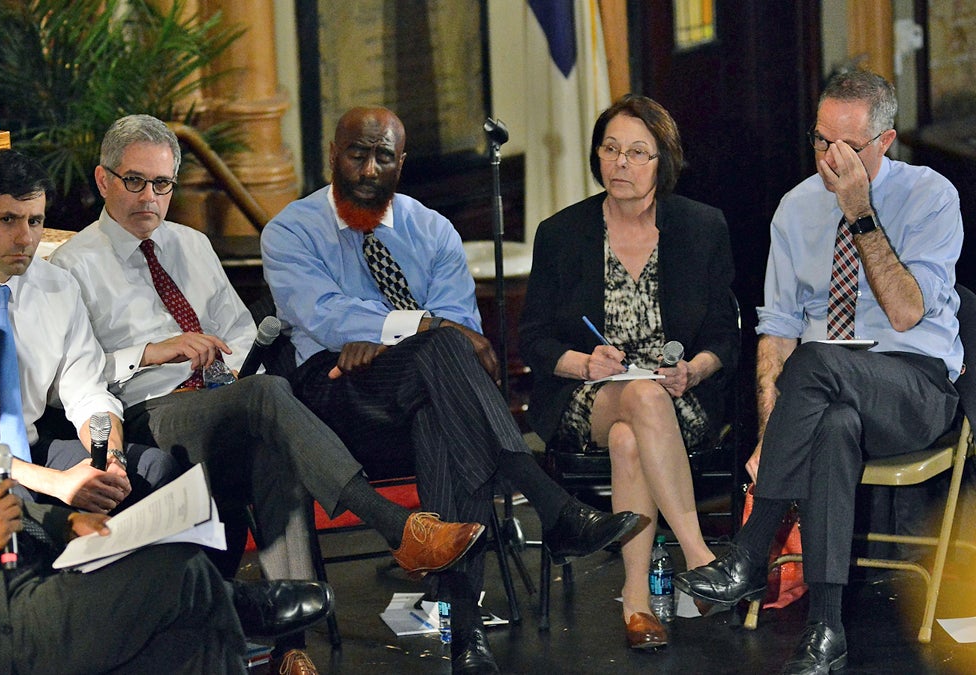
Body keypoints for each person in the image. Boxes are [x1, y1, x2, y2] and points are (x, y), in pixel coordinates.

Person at [49, 114, 485, 674]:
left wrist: (223, 364)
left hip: (220, 398)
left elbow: (239, 331)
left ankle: (291, 650)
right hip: (148, 410)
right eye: (135, 181)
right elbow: (73, 378)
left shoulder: (192, 245)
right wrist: (151, 352)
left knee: (270, 435)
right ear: (103, 180)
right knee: (269, 396)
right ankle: (397, 527)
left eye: (162, 185)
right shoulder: (72, 265)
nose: (150, 198)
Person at [261, 105, 641, 674]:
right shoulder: (290, 229)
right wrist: (420, 326)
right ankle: (548, 502)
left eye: (382, 156)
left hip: (420, 395)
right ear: (332, 156)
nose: (368, 168)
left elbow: (461, 334)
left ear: (401, 162)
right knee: (438, 353)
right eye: (356, 153)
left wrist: (401, 337)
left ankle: (466, 638)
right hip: (335, 402)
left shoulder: (432, 231)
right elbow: (324, 315)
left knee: (441, 406)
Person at [0, 270, 334, 673]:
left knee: (184, 604)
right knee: (181, 580)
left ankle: (233, 611)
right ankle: (242, 609)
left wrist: (61, 524)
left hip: (20, 584)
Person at [675, 69, 962, 675]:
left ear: (884, 142)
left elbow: (908, 312)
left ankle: (751, 552)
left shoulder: (932, 196)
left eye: (848, 147)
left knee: (816, 360)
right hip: (823, 393)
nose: (831, 159)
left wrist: (861, 215)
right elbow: (775, 330)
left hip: (915, 387)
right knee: (829, 421)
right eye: (820, 140)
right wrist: (770, 436)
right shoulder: (796, 208)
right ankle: (826, 630)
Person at [519, 94, 737, 650]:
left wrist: (693, 370)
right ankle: (701, 558)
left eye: (638, 153)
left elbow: (724, 338)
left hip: (679, 396)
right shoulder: (561, 233)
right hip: (586, 394)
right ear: (597, 156)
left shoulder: (701, 227)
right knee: (633, 400)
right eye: (611, 149)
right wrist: (584, 362)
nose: (621, 163)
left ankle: (636, 603)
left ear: (663, 162)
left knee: (629, 438)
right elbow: (534, 338)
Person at [0, 148, 178, 515]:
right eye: (8, 220)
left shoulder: (57, 286)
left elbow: (88, 393)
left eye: (34, 222)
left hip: (31, 450)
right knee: (25, 506)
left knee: (153, 471)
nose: (25, 239)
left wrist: (108, 455)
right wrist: (56, 484)